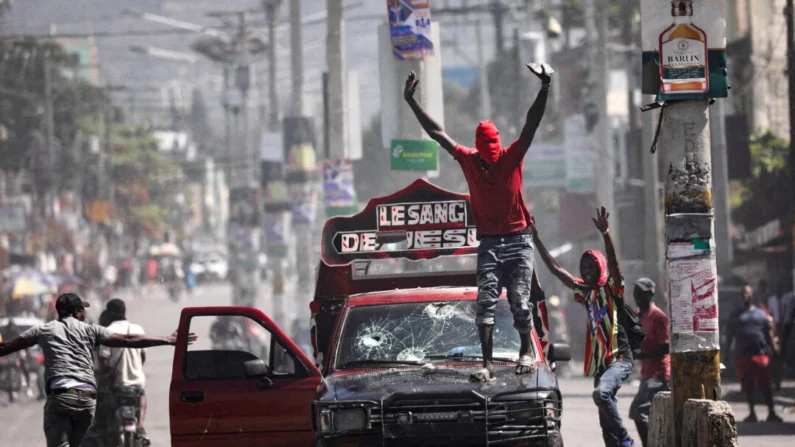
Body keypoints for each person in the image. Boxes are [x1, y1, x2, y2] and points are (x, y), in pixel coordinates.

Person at [403, 62, 551, 382]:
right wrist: (412, 101)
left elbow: (531, 123)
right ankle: (487, 365)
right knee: (484, 303)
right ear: (478, 150)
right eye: (486, 153)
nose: (491, 158)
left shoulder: (511, 156)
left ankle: (525, 350)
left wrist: (545, 87)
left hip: (518, 240)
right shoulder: (469, 159)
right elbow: (436, 133)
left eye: (494, 152)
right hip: (489, 242)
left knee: (520, 302)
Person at [0, 293, 196, 447]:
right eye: (81, 310)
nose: (84, 314)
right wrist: (168, 340)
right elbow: (129, 340)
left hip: (60, 398)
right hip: (86, 399)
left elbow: (6, 347)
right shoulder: (90, 329)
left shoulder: (43, 330)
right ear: (77, 312)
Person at [531, 208, 635, 447]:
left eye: (592, 267)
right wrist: (536, 239)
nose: (587, 272)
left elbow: (615, 264)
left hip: (619, 359)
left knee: (601, 395)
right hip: (601, 365)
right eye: (584, 268)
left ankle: (626, 439)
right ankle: (616, 440)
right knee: (605, 423)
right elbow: (556, 270)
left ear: (600, 267)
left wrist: (606, 233)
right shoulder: (585, 293)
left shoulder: (612, 288)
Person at [97, 298, 151, 445]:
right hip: (137, 382)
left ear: (109, 312)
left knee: (105, 410)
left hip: (117, 384)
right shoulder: (138, 329)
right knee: (142, 395)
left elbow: (103, 361)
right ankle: (140, 427)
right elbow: (143, 357)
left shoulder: (106, 332)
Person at [725, 284, 782, 422]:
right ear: (741, 296)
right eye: (743, 293)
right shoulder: (736, 315)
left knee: (765, 384)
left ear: (752, 295)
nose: (746, 296)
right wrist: (726, 353)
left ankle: (771, 412)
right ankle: (752, 413)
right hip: (744, 356)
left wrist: (774, 348)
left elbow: (768, 333)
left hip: (761, 354)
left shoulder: (761, 314)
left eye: (748, 293)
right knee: (748, 386)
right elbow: (729, 336)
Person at [628, 278, 670, 447]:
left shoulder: (659, 317)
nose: (637, 296)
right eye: (636, 292)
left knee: (637, 411)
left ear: (650, 294)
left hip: (659, 374)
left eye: (641, 292)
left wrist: (642, 355)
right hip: (646, 373)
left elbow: (665, 348)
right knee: (650, 415)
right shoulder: (638, 315)